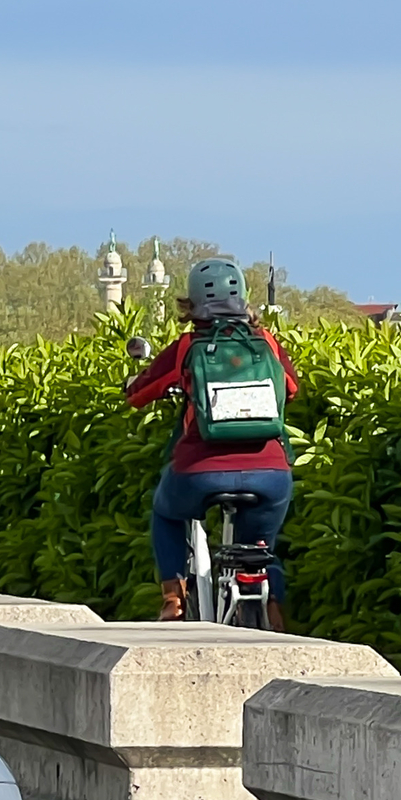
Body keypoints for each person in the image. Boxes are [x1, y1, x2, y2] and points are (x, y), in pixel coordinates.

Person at [124, 258, 299, 626]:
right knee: (261, 548)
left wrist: (135, 384)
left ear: (191, 305)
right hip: (270, 472)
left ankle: (173, 599)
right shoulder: (266, 341)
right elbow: (292, 388)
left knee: (166, 512)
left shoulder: (187, 346)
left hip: (198, 472)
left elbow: (138, 395)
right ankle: (273, 608)